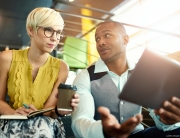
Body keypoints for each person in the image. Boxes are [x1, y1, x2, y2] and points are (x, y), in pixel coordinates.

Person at [71, 21, 180, 138]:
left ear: (125, 39)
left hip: (137, 135)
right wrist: (103, 130)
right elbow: (80, 119)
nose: (101, 42)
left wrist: (167, 120)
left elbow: (157, 113)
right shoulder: (85, 76)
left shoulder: (143, 73)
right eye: (97, 39)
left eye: (107, 35)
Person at [0, 7, 79, 138]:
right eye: (48, 30)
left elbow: (49, 112)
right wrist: (13, 112)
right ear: (31, 30)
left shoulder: (62, 67)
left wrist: (61, 111)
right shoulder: (6, 58)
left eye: (58, 32)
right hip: (13, 121)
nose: (55, 38)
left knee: (40, 126)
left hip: (45, 124)